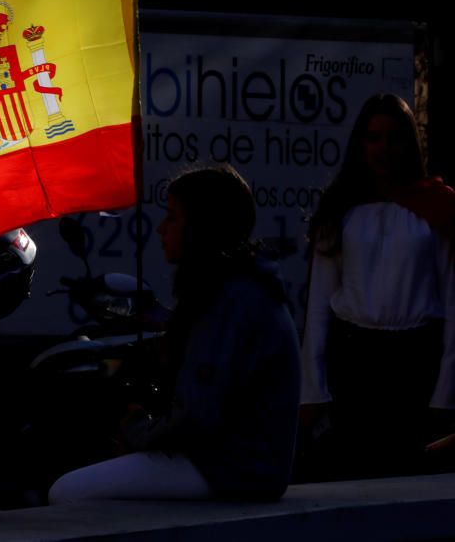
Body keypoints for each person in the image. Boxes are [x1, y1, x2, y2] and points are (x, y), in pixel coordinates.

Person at [49, 165, 301, 503]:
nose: (160, 229)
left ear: (202, 226)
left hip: (234, 467)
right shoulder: (235, 286)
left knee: (67, 492)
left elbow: (196, 416)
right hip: (233, 460)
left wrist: (137, 430)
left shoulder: (231, 297)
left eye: (172, 217)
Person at [300, 93, 455, 479]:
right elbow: (318, 307)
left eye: (393, 137)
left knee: (410, 476)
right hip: (355, 362)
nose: (383, 148)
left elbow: (453, 302)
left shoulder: (437, 206)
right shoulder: (340, 209)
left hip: (416, 362)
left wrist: (446, 390)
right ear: (360, 144)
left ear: (408, 142)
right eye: (373, 138)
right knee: (353, 475)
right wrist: (313, 390)